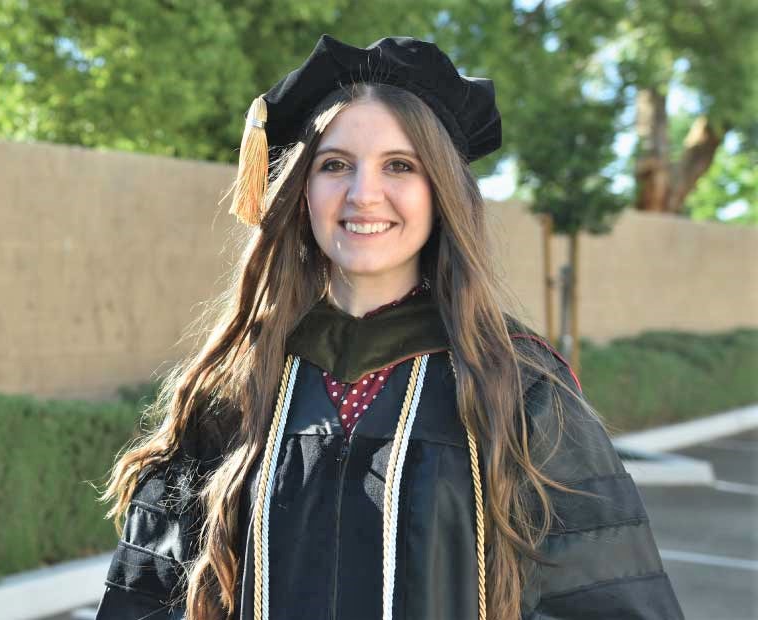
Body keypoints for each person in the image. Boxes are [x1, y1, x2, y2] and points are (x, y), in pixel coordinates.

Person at [94, 35, 683, 620]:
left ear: (441, 193)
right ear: (302, 192)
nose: (363, 193)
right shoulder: (239, 383)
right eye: (335, 165)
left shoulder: (517, 386)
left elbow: (609, 602)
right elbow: (148, 597)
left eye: (399, 165)